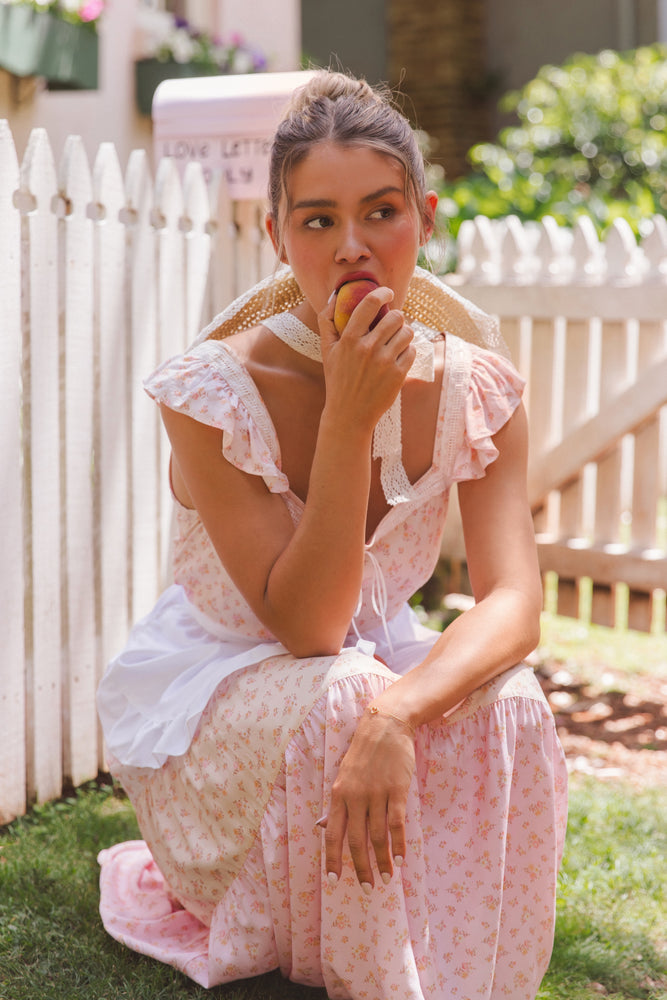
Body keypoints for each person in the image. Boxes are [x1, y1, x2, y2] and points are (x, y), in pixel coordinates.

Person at [97, 70, 568, 1000]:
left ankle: (477, 979)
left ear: (423, 218)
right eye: (316, 221)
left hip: (358, 686)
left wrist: (399, 713)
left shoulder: (476, 386)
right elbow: (309, 630)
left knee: (508, 695)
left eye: (380, 213)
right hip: (223, 716)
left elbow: (515, 603)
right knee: (346, 683)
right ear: (276, 234)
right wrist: (351, 418)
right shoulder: (209, 393)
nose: (352, 248)